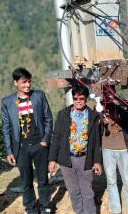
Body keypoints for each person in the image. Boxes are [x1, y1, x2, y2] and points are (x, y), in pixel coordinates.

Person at [1, 68, 53, 214]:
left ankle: (46, 206)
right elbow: (6, 128)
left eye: (29, 81)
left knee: (43, 179)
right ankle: (30, 208)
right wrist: (9, 151)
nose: (27, 85)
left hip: (40, 145)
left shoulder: (39, 96)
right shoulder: (7, 102)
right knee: (26, 181)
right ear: (15, 83)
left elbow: (48, 118)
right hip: (21, 148)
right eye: (24, 82)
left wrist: (45, 141)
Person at [48, 85, 102, 214]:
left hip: (85, 158)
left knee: (87, 192)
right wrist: (52, 159)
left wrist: (97, 161)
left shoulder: (93, 116)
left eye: (81, 98)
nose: (78, 101)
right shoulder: (63, 114)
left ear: (86, 99)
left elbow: (96, 141)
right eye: (75, 98)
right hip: (67, 159)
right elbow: (56, 138)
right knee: (73, 191)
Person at [101, 85, 128, 214]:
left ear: (114, 92)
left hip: (122, 148)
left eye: (110, 92)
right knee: (110, 181)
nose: (107, 95)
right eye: (105, 92)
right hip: (106, 148)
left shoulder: (123, 106)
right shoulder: (100, 107)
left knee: (127, 182)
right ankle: (116, 209)